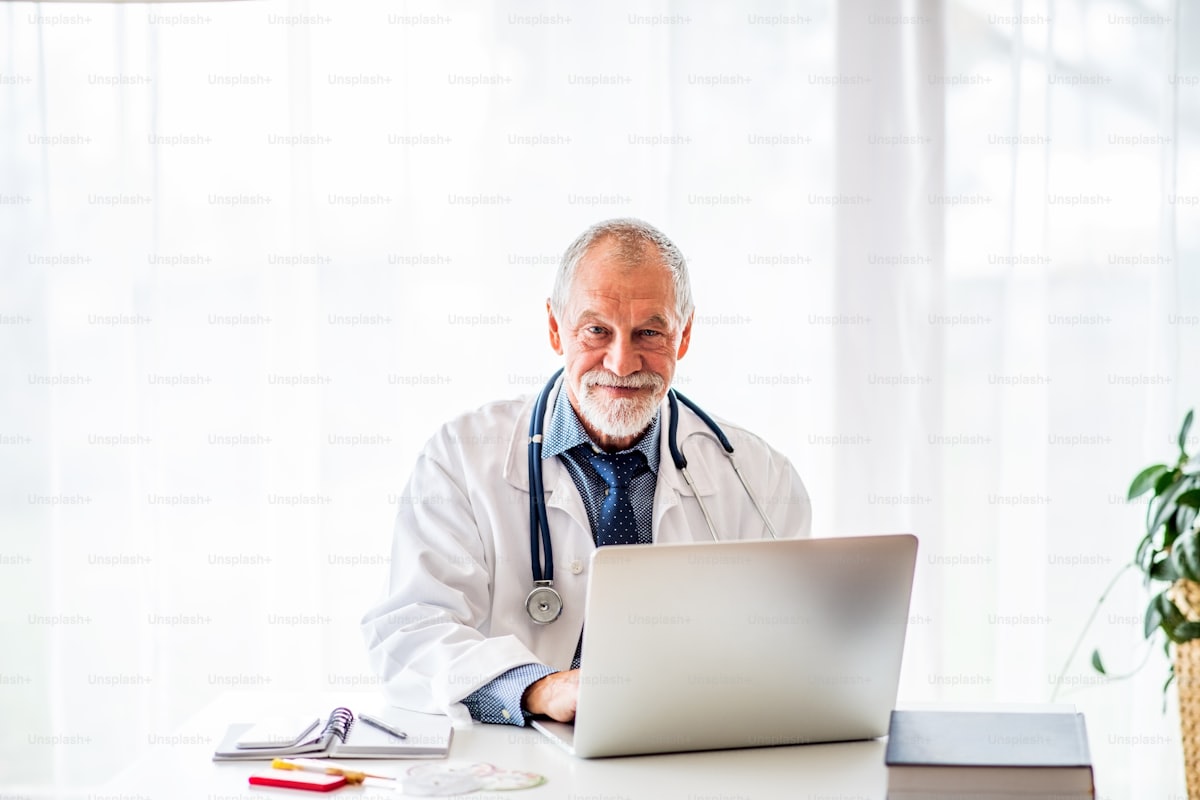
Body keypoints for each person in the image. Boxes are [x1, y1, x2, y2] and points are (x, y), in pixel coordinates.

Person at [360, 218, 812, 726]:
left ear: (682, 336)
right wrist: (536, 688)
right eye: (597, 330)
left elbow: (790, 646)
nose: (621, 363)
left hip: (691, 748)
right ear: (556, 328)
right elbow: (411, 632)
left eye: (650, 332)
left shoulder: (757, 476)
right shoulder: (462, 457)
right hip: (520, 756)